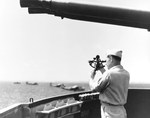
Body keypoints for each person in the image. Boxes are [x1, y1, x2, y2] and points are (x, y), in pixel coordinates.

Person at [89, 49, 130, 118]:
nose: (106, 63)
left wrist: (91, 78)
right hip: (121, 111)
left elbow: (95, 88)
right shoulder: (126, 73)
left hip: (110, 112)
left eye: (106, 60)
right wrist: (101, 69)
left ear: (110, 59)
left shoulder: (109, 74)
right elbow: (110, 79)